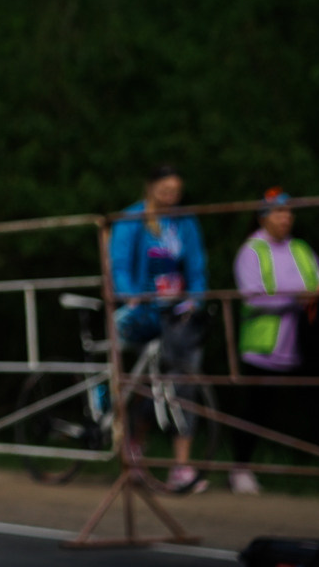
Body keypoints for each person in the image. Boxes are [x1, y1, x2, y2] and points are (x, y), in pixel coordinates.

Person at [229, 190, 319, 497]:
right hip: (265, 346)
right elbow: (253, 297)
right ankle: (240, 469)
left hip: (306, 341)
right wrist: (298, 296)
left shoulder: (301, 247)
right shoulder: (251, 251)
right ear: (263, 217)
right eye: (278, 212)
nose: (285, 217)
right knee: (255, 410)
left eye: (289, 212)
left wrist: (317, 291)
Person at [109, 165, 208, 494]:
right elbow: (119, 265)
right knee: (141, 386)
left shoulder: (185, 221)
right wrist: (130, 298)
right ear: (150, 188)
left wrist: (195, 298)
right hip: (143, 313)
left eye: (175, 191)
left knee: (184, 386)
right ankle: (134, 450)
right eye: (165, 190)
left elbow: (196, 264)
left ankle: (181, 467)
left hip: (177, 314)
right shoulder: (132, 219)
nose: (170, 196)